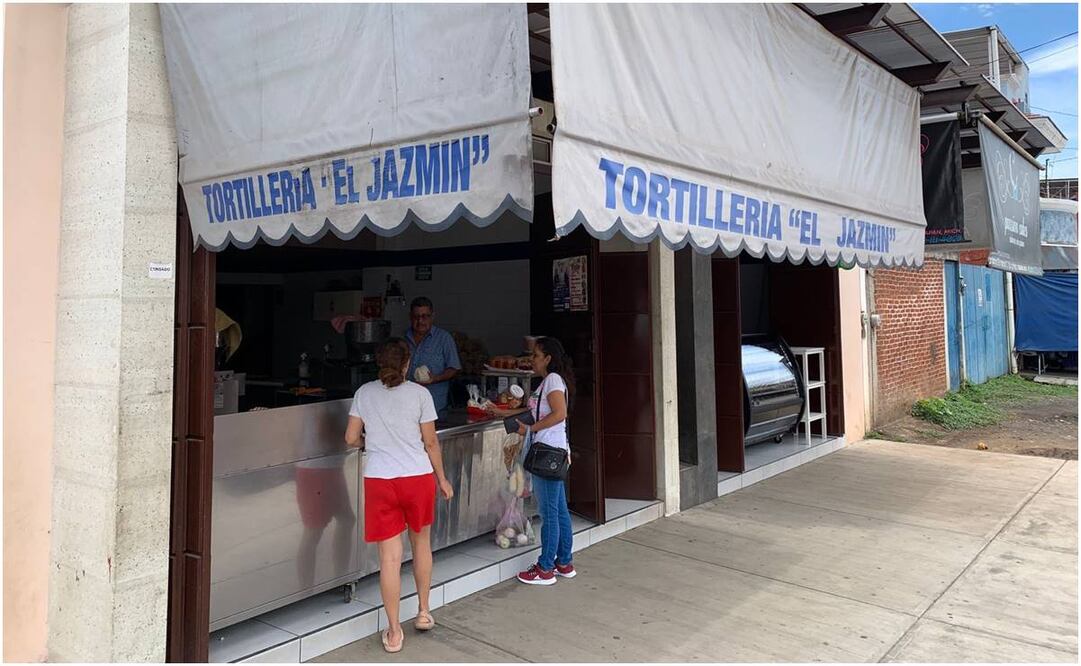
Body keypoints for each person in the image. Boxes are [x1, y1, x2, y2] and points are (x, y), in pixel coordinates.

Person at [345, 338, 455, 654]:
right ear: (407, 363)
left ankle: (394, 632)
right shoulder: (420, 394)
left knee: (389, 560)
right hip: (417, 478)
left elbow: (351, 437)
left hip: (380, 480)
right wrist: (443, 479)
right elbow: (431, 443)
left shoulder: (364, 393)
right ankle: (423, 611)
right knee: (422, 546)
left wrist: (370, 442)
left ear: (379, 363)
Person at [495, 336, 577, 586]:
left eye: (536, 356)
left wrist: (529, 431)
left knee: (549, 513)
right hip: (553, 451)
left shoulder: (552, 380)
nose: (532, 360)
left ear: (548, 359)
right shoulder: (547, 383)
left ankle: (545, 568)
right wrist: (503, 413)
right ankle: (564, 562)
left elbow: (559, 413)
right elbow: (534, 412)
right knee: (559, 510)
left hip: (547, 454)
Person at [404, 297, 461, 413]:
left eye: (425, 316)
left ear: (432, 316)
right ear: (410, 317)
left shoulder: (444, 338)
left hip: (435, 408)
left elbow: (454, 368)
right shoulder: (402, 339)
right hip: (406, 406)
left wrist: (436, 378)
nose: (420, 321)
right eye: (416, 317)